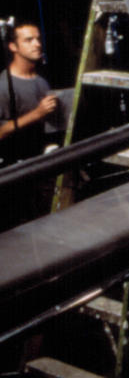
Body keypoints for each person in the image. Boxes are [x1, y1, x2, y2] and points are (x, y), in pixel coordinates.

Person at [0, 21, 57, 229]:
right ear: (13, 47)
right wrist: (37, 113)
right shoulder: (4, 87)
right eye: (29, 40)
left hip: (43, 166)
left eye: (38, 39)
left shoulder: (41, 81)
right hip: (18, 175)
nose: (37, 44)